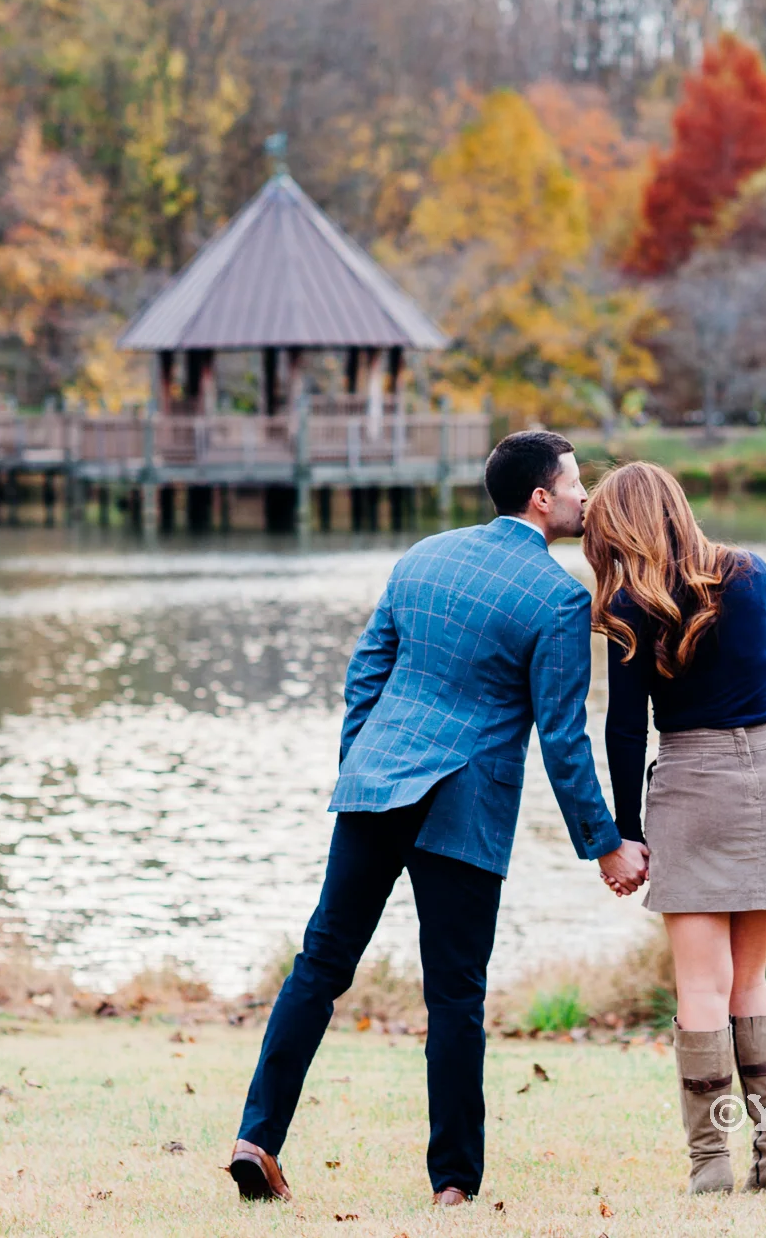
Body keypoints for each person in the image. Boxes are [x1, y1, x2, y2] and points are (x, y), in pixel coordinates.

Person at [228, 431, 651, 1208]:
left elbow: (367, 671)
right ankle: (453, 1186)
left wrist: (366, 759)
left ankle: (257, 1136)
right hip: (464, 803)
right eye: (576, 483)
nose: (585, 495)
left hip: (375, 784)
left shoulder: (423, 556)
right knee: (454, 995)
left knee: (320, 964)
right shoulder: (559, 600)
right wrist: (606, 845)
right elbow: (562, 738)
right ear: (541, 498)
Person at [580, 461, 766, 1195]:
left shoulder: (630, 601)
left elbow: (624, 728)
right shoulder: (752, 571)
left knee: (701, 987)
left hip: (691, 775)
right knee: (753, 980)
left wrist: (625, 827)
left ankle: (710, 1164)